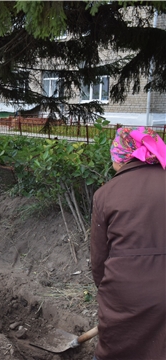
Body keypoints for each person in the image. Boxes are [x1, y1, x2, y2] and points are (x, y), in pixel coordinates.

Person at [90, 127, 166, 360]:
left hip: (126, 292)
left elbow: (99, 260)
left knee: (116, 349)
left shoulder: (106, 194)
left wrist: (107, 291)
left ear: (124, 154)